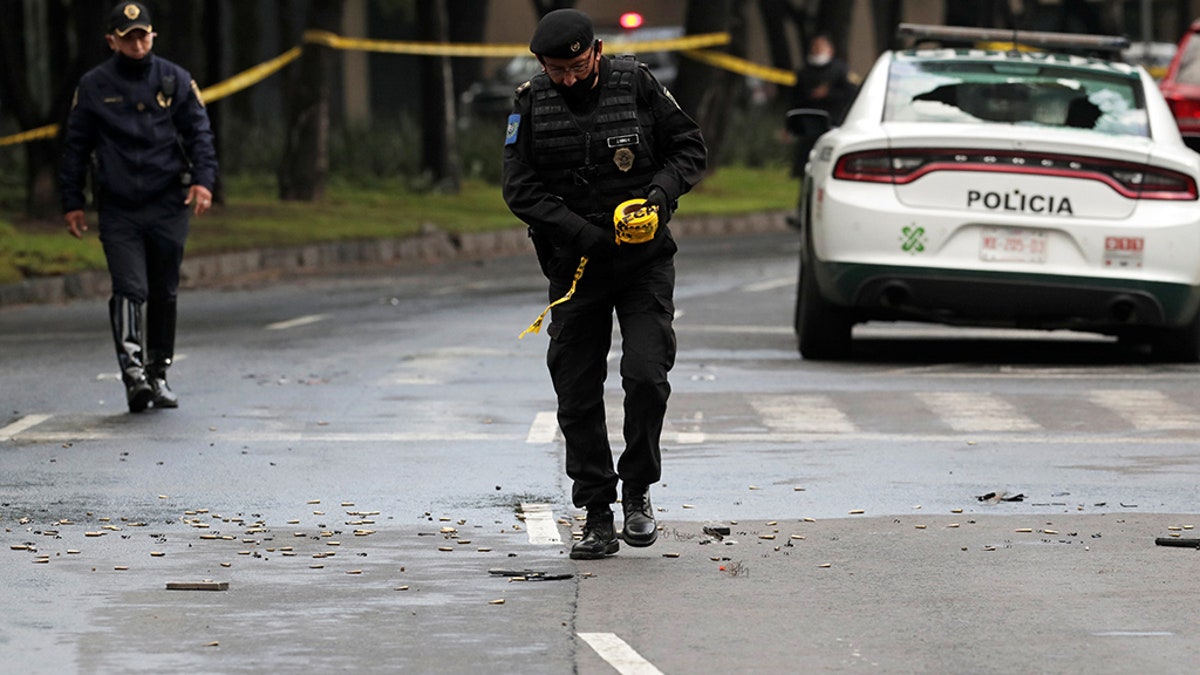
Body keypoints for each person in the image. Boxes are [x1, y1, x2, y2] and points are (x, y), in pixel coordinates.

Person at [502, 9, 707, 560]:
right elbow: (518, 189)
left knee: (645, 374)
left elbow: (690, 149)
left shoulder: (636, 83)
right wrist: (580, 232)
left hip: (644, 265)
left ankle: (637, 488)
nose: (566, 78)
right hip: (576, 269)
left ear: (595, 52)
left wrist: (661, 197)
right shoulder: (529, 102)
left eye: (574, 65)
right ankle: (596, 512)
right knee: (576, 392)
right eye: (555, 69)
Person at [60, 2, 217, 413]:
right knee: (131, 288)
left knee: (164, 290)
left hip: (168, 202)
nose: (137, 43)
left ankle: (157, 372)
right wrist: (72, 201)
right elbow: (75, 147)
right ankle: (133, 375)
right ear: (112, 40)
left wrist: (203, 180)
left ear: (153, 36)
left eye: (143, 35)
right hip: (120, 207)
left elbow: (199, 132)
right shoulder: (94, 86)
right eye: (128, 36)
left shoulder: (174, 79)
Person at [788, 35, 857, 212]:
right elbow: (795, 99)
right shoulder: (804, 72)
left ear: (830, 49)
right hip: (808, 127)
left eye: (821, 46)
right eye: (815, 46)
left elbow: (849, 94)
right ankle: (802, 209)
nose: (818, 50)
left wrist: (828, 94)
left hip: (832, 124)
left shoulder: (840, 70)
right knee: (806, 169)